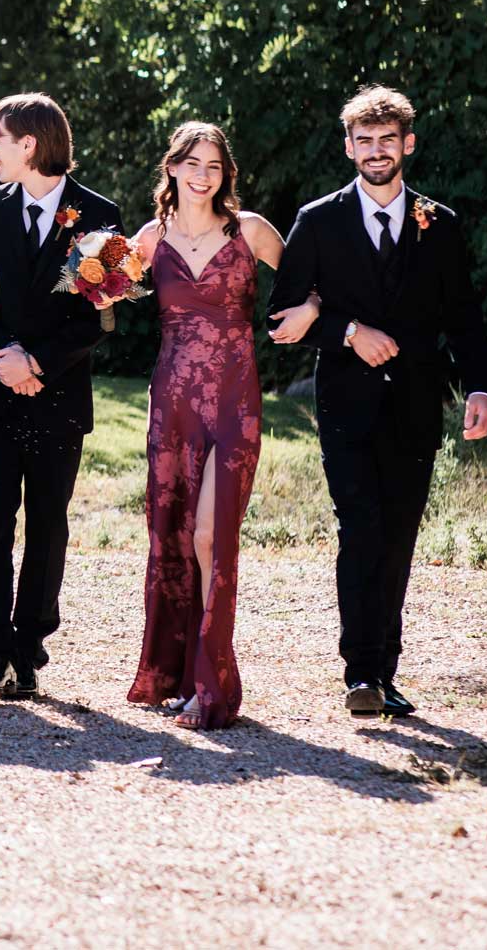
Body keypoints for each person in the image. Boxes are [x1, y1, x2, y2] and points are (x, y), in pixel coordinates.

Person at [268, 86, 487, 719]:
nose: (376, 151)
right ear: (349, 147)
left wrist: (480, 387)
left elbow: (465, 317)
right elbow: (281, 316)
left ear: (408, 145)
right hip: (345, 407)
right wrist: (345, 330)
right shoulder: (317, 221)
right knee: (360, 529)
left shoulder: (440, 224)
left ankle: (386, 671)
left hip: (418, 407)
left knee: (398, 536)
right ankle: (360, 672)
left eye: (387, 140)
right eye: (364, 141)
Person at [122, 122, 313, 729]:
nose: (203, 174)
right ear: (172, 167)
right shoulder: (150, 239)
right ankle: (177, 677)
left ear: (225, 173)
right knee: (174, 536)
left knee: (211, 536)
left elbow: (315, 280)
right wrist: (88, 281)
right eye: (192, 162)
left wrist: (307, 310)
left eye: (215, 165)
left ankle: (214, 684)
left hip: (234, 398)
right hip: (172, 401)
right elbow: (96, 293)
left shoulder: (250, 230)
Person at [0, 92, 120, 700]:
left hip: (57, 397)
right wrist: (6, 357)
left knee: (48, 526)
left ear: (28, 143)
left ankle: (29, 649)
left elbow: (95, 319)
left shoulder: (99, 216)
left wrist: (38, 363)